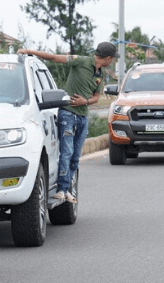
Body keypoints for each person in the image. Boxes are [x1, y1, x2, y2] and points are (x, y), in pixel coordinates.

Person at [17, 42, 117, 203]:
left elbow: (96, 97)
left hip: (83, 118)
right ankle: (62, 190)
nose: (112, 62)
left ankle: (67, 188)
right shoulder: (81, 61)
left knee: (75, 158)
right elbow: (54, 58)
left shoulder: (100, 73)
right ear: (107, 58)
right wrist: (29, 51)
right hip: (68, 115)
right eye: (112, 59)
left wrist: (85, 101)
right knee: (67, 153)